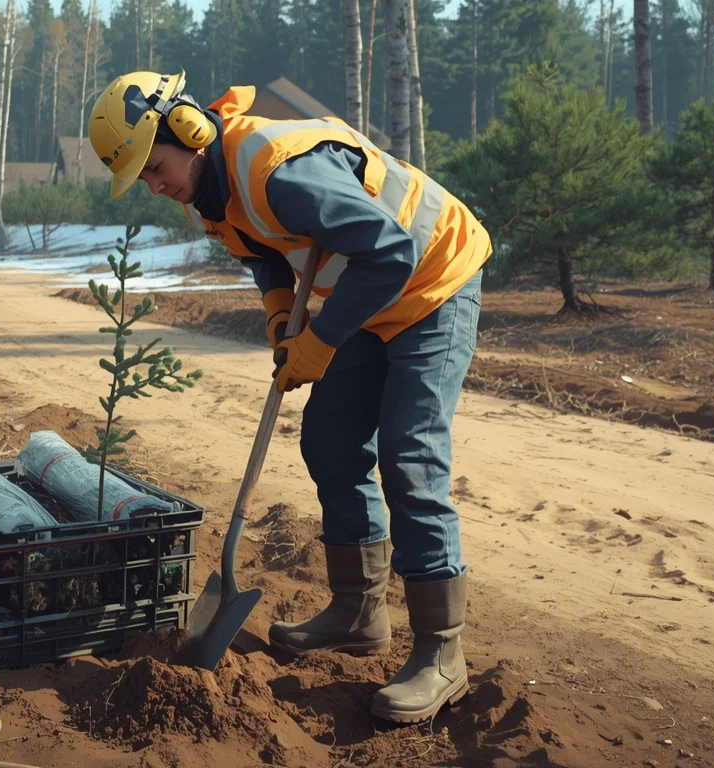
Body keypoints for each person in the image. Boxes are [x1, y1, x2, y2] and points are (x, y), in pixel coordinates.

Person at [88, 69, 492, 724]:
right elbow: (263, 251)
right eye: (143, 179)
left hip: (431, 277)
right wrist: (282, 316)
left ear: (187, 130)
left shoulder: (275, 168)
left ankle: (442, 653)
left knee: (409, 460)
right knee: (330, 440)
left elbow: (389, 251)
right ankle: (359, 612)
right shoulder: (203, 194)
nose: (156, 187)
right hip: (366, 295)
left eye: (157, 167)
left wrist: (322, 339)